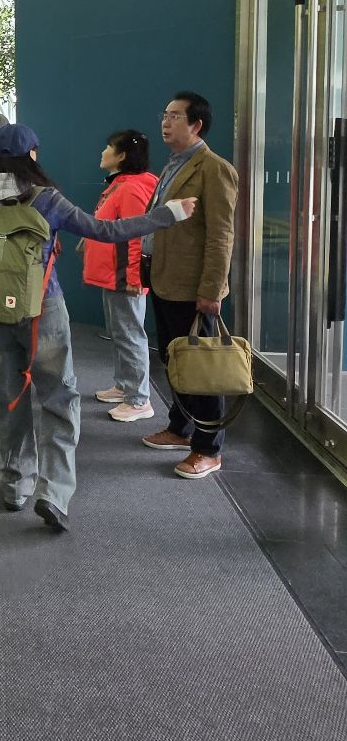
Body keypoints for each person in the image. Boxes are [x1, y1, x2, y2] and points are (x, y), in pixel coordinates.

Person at [0, 122, 195, 531]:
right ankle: (54, 492)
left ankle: (15, 483)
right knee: (58, 398)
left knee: (6, 399)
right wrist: (167, 215)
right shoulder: (46, 199)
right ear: (32, 155)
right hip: (43, 310)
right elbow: (107, 231)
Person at [140, 92, 239, 479]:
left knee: (201, 368)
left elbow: (221, 236)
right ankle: (180, 428)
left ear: (196, 124)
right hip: (164, 278)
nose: (166, 122)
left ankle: (208, 449)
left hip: (193, 287)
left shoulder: (214, 169)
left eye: (175, 116)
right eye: (165, 115)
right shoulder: (172, 166)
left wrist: (211, 290)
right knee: (175, 358)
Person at [81, 130, 158, 423]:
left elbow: (138, 234)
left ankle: (139, 400)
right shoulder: (121, 185)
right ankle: (126, 385)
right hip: (114, 275)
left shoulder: (131, 188)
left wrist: (134, 278)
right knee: (120, 332)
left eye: (108, 147)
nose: (103, 152)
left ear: (122, 156)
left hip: (125, 276)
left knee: (130, 334)